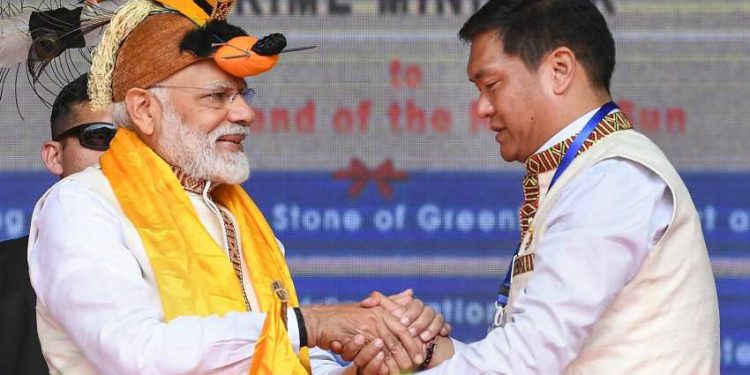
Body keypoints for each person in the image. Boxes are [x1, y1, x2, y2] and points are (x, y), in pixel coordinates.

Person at [27, 1, 443, 374]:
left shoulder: (234, 214)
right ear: (144, 109)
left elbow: (288, 358)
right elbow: (136, 353)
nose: (245, 113)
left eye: (243, 95)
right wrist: (312, 323)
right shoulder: (82, 204)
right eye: (217, 96)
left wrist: (372, 363)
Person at [360, 0, 720, 373]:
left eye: (492, 85)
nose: (482, 107)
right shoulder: (587, 174)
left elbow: (527, 360)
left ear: (559, 70)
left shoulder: (613, 179)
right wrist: (427, 350)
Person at [0, 73, 114, 375]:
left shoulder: (212, 266)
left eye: (142, 141)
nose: (125, 155)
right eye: (102, 136)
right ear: (54, 156)